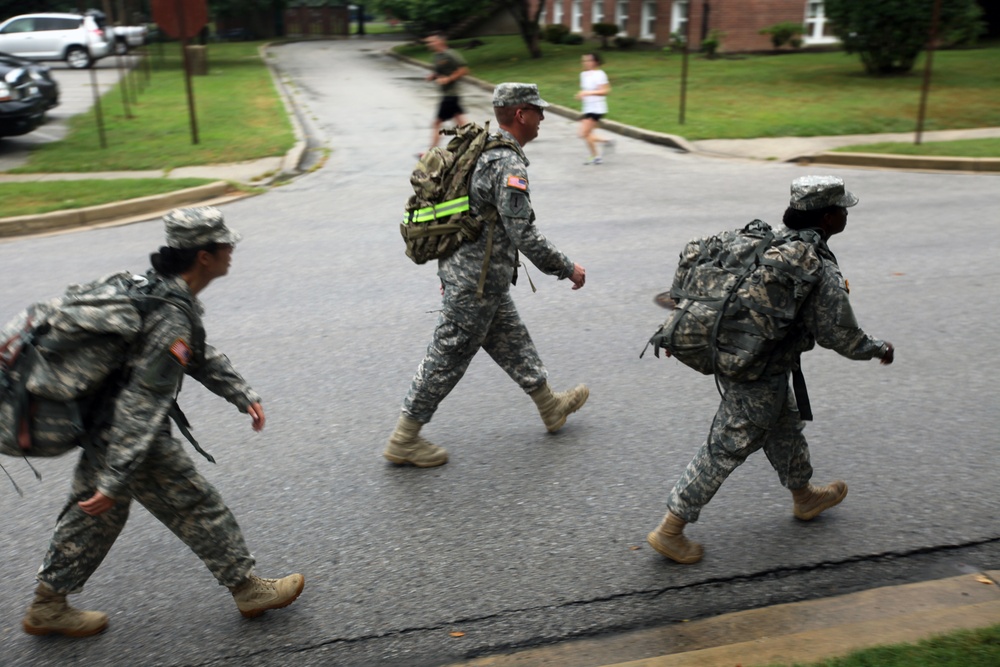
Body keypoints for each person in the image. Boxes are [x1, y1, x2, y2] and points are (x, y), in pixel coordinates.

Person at [21, 207, 304, 637]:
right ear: (203, 256)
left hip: (108, 427)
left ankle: (48, 603)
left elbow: (196, 353)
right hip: (129, 433)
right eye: (225, 244)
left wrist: (240, 392)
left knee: (97, 513)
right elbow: (143, 398)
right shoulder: (171, 310)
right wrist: (117, 474)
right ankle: (247, 588)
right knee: (193, 502)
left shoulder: (164, 294)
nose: (232, 250)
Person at [647, 176, 895, 564]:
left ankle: (805, 496)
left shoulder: (762, 241)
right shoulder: (814, 267)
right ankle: (671, 528)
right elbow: (839, 334)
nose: (847, 213)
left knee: (784, 425)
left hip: (740, 355)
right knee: (727, 446)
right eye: (842, 208)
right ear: (828, 218)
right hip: (756, 369)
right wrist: (878, 349)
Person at [385, 83, 589, 468]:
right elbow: (522, 232)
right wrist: (567, 268)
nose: (543, 117)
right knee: (446, 357)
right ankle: (404, 438)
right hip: (473, 284)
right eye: (538, 110)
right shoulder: (506, 163)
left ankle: (550, 406)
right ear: (520, 115)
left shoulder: (485, 147)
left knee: (512, 339)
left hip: (477, 278)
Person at [424, 31, 469, 152]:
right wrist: (433, 76)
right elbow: (440, 72)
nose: (429, 44)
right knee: (461, 123)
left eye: (432, 41)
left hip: (451, 94)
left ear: (440, 41)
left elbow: (463, 70)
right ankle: (476, 145)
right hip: (448, 94)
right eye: (428, 42)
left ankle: (432, 151)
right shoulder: (436, 56)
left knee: (437, 123)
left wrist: (448, 79)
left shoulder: (450, 54)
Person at [575, 52, 612, 165]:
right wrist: (582, 95)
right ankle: (605, 143)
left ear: (595, 62)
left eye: (588, 60)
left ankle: (597, 155)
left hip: (597, 108)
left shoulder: (600, 74)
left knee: (584, 133)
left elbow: (605, 91)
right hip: (587, 108)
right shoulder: (583, 74)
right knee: (584, 134)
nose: (585, 63)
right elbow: (585, 91)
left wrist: (588, 93)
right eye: (584, 60)